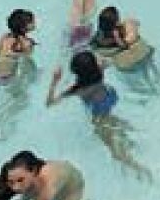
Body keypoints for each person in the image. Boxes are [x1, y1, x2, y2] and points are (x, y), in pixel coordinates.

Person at [46, 51, 149, 179]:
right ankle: (138, 145)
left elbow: (50, 103)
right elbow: (110, 61)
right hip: (110, 99)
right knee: (119, 127)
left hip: (100, 118)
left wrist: (54, 81)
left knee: (117, 155)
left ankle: (142, 171)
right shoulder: (99, 72)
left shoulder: (78, 89)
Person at [0, 10, 36, 82]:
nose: (34, 23)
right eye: (32, 22)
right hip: (5, 76)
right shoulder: (27, 43)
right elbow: (26, 62)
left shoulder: (5, 37)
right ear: (23, 27)